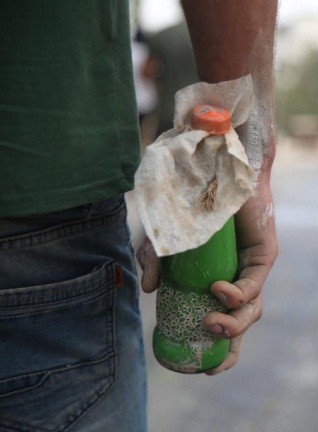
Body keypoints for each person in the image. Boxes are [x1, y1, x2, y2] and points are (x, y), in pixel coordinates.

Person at [0, 1, 278, 431]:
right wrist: (252, 172)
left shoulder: (161, 38)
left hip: (166, 138)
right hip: (47, 206)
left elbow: (147, 75)